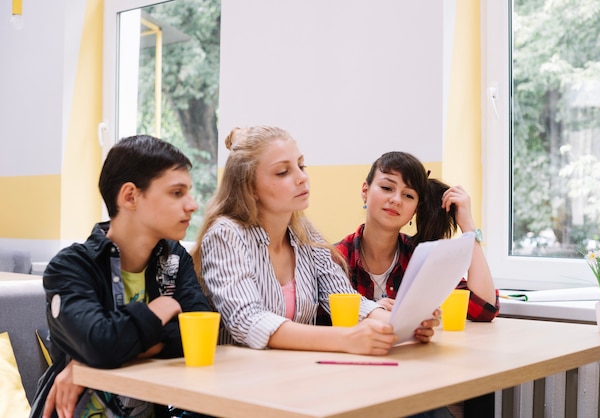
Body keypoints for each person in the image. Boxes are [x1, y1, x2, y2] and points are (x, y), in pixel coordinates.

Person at [190, 126, 440, 356]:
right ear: (250, 187)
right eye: (283, 172)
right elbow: (248, 321)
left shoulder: (304, 233)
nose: (302, 178)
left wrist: (404, 324)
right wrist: (345, 339)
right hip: (239, 389)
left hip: (297, 379)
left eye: (301, 166)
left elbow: (345, 299)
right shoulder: (226, 234)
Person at [31, 135, 211, 418]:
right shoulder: (70, 266)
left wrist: (92, 361)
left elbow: (199, 335)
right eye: (177, 193)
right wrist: (157, 311)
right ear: (130, 196)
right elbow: (98, 342)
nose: (192, 205)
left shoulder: (174, 258)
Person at [336, 151, 499, 317]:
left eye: (408, 195)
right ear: (365, 191)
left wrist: (469, 228)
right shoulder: (335, 258)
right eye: (387, 188)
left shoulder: (422, 257)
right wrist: (370, 312)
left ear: (415, 209)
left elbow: (483, 309)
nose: (396, 200)